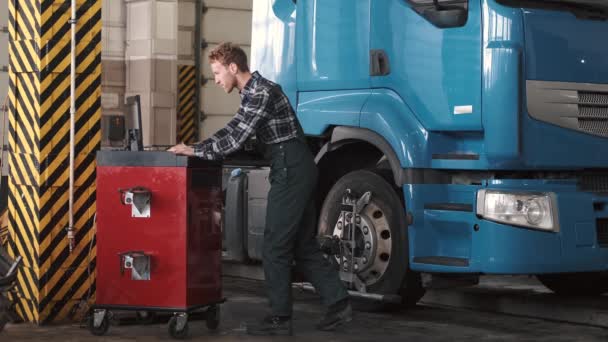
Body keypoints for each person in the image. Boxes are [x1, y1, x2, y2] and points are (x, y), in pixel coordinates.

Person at [168, 42, 351, 336]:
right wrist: (197, 146)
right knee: (302, 244)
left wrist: (195, 151)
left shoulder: (262, 92)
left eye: (216, 73)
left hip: (291, 168)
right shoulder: (251, 93)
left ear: (232, 67)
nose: (215, 80)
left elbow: (237, 137)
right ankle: (338, 305)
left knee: (275, 245)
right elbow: (234, 128)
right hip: (292, 166)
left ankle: (280, 318)